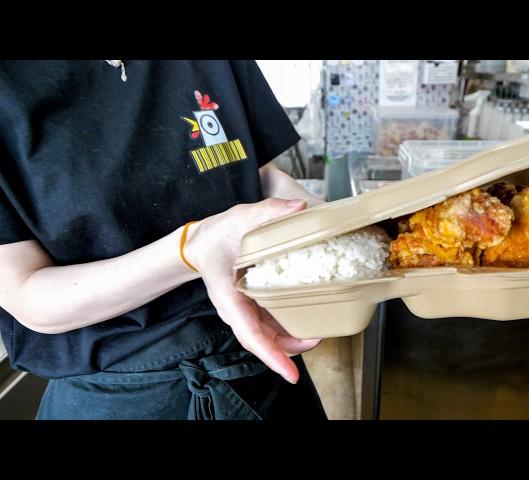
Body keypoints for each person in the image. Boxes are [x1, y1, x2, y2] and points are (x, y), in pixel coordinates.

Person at [0, 60, 327, 420]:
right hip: (120, 398)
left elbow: (262, 178)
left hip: (265, 366)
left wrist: (344, 223)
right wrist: (191, 250)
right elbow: (29, 297)